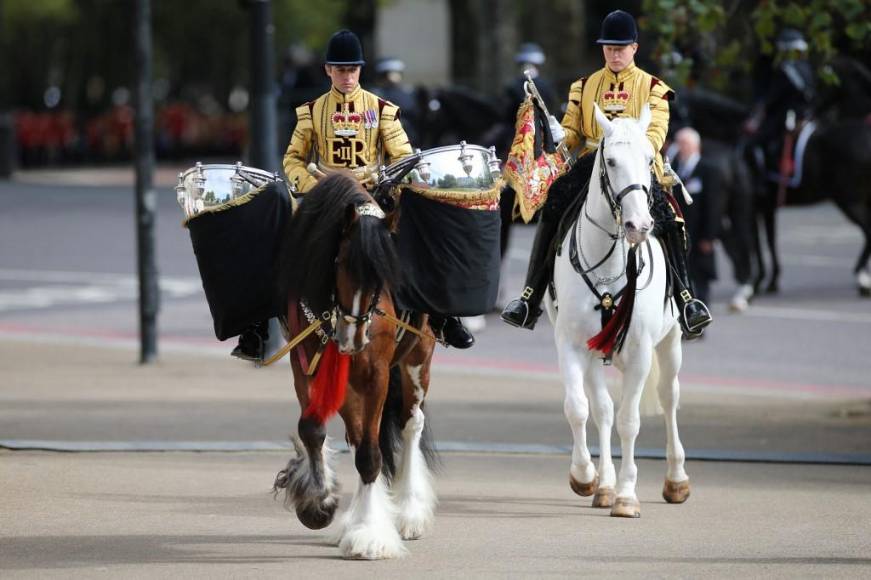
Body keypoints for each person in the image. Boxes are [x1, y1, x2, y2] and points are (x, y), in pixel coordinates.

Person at [234, 30, 474, 361]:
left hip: (371, 196)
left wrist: (399, 178)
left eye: (353, 69)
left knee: (419, 237)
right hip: (323, 196)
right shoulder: (311, 112)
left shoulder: (383, 109)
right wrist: (311, 185)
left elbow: (402, 156)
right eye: (341, 69)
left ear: (360, 71)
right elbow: (293, 160)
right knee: (276, 242)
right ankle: (257, 328)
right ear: (328, 71)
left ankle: (445, 318)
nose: (347, 76)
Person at [500, 9, 712, 338]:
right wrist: (561, 133)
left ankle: (686, 299)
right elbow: (573, 132)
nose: (614, 54)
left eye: (621, 48)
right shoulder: (583, 86)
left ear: (634, 49)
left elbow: (656, 135)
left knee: (669, 215)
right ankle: (530, 297)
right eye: (609, 48)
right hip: (592, 163)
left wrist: (631, 146)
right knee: (555, 200)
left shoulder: (654, 88)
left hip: (637, 165)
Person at [743, 28, 816, 176]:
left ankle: (761, 180)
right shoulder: (807, 68)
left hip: (787, 118)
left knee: (754, 143)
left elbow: (772, 98)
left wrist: (756, 118)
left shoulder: (786, 71)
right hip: (807, 117)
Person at [671, 127, 721, 311]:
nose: (680, 147)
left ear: (695, 146)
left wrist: (709, 237)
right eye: (679, 143)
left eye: (684, 144)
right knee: (683, 280)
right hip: (680, 236)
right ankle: (685, 319)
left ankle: (701, 318)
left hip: (700, 236)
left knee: (701, 280)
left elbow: (715, 206)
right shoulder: (675, 170)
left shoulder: (708, 170)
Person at [370, 57, 420, 145]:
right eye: (388, 74)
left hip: (410, 139)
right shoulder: (376, 93)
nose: (393, 77)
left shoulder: (408, 92)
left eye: (396, 73)